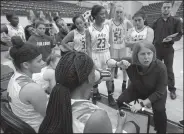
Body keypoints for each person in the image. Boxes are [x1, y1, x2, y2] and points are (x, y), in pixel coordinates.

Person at [38, 51, 139, 133]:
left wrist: (116, 64)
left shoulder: (52, 100)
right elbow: (108, 76)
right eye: (94, 69)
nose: (97, 72)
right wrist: (120, 125)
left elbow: (105, 76)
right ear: (90, 78)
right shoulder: (97, 117)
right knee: (133, 125)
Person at [117, 41, 168, 134]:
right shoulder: (129, 62)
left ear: (154, 53)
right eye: (142, 54)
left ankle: (161, 131)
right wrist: (117, 63)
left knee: (159, 111)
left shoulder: (161, 67)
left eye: (149, 53)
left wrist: (141, 104)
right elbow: (109, 61)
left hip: (156, 91)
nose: (146, 57)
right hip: (138, 88)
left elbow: (160, 92)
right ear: (136, 55)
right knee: (120, 101)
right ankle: (127, 123)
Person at [7, 36, 48, 132]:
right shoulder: (33, 89)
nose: (43, 63)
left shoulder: (14, 78)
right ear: (25, 65)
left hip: (24, 124)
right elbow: (51, 116)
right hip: (38, 129)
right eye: (39, 61)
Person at [86, 5, 115, 106]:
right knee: (95, 77)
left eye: (104, 14)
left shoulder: (108, 27)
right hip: (95, 55)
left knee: (109, 78)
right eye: (101, 14)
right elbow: (88, 47)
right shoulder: (89, 29)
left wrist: (111, 57)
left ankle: (110, 95)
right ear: (95, 15)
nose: (104, 16)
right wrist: (90, 61)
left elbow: (110, 43)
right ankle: (95, 94)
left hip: (106, 54)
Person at [152, 1, 182, 100]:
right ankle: (158, 88)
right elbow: (152, 35)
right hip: (157, 49)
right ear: (161, 8)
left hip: (168, 49)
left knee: (169, 70)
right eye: (164, 7)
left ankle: (172, 89)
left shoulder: (176, 21)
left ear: (171, 8)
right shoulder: (156, 22)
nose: (166, 9)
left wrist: (172, 39)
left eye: (168, 7)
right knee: (157, 70)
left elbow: (179, 34)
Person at [108, 5, 133, 92]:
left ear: (123, 13)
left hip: (123, 47)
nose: (119, 14)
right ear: (114, 12)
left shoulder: (126, 22)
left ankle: (124, 83)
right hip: (113, 47)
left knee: (124, 66)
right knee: (112, 66)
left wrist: (128, 38)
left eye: (120, 12)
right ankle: (112, 82)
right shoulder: (109, 22)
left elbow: (133, 30)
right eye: (117, 12)